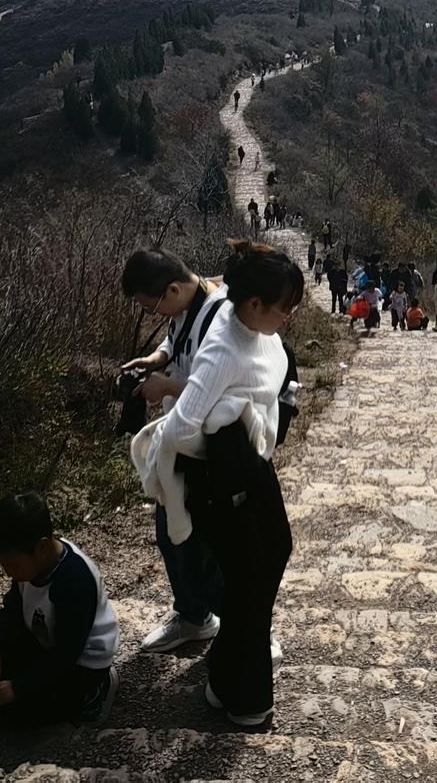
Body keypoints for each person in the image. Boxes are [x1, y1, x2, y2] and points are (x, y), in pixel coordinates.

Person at [141, 242, 303, 729]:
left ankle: (224, 681)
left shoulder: (257, 328)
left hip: (252, 468)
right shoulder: (224, 348)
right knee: (250, 583)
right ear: (254, 304)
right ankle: (248, 700)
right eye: (285, 308)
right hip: (225, 480)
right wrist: (224, 425)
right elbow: (182, 425)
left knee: (266, 565)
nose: (289, 317)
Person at [119, 248, 228, 654]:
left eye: (153, 306)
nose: (156, 315)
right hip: (180, 441)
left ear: (173, 289)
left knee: (203, 542)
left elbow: (222, 388)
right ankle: (194, 616)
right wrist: (156, 359)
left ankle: (236, 626)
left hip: (208, 448)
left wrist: (165, 386)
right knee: (171, 535)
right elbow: (175, 340)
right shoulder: (187, 305)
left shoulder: (221, 316)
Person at [0, 491, 118, 726]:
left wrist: (19, 688)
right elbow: (11, 614)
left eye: (11, 564)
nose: (8, 572)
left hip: (80, 662)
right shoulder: (28, 569)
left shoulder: (74, 579)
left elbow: (66, 653)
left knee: (23, 714)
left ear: (41, 547)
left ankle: (97, 689)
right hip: (46, 643)